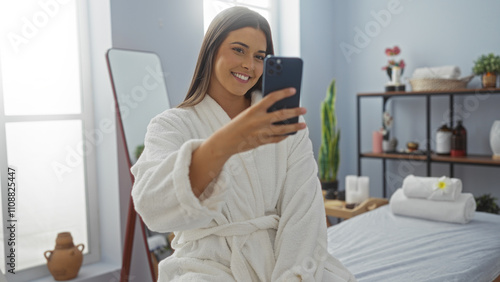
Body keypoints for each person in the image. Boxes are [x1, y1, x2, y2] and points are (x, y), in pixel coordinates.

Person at [131, 6, 355, 282]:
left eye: (260, 57)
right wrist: (229, 140)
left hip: (283, 257)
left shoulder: (284, 125)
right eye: (239, 50)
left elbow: (304, 212)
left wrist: (293, 276)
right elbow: (152, 207)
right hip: (207, 265)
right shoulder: (171, 125)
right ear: (211, 50)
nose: (250, 65)